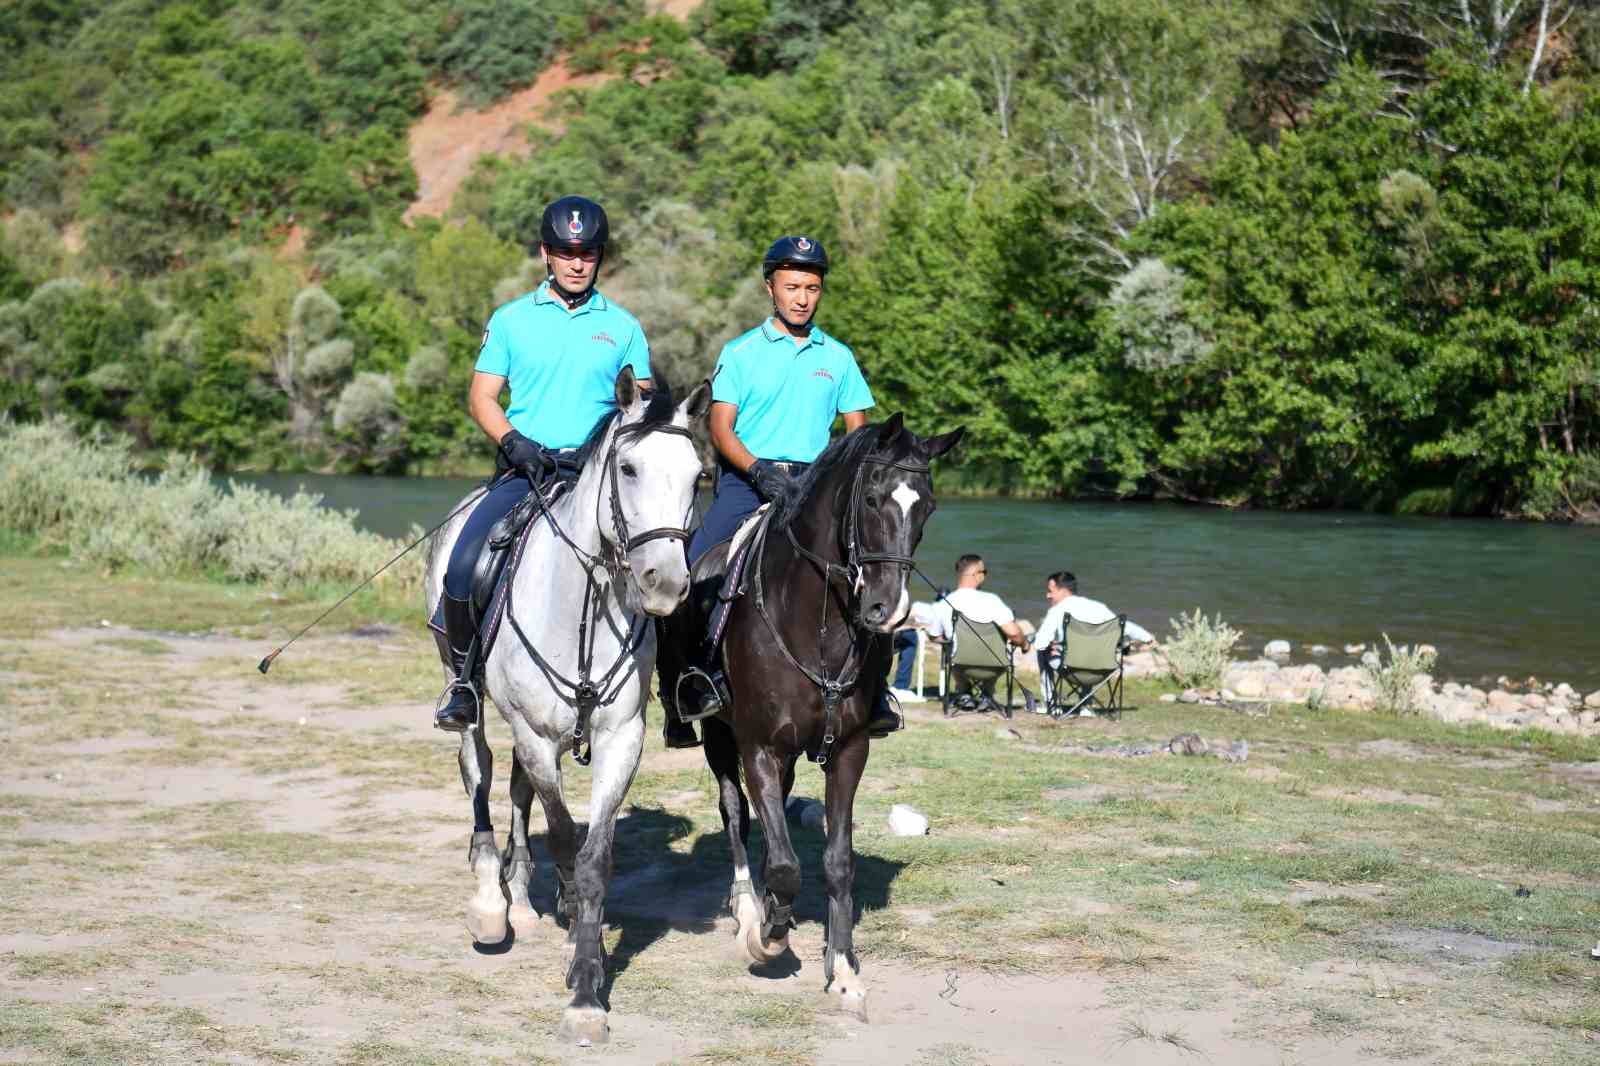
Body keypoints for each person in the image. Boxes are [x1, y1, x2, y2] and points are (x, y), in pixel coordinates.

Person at [660, 234, 899, 747]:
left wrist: (832, 482)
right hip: (748, 484)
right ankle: (685, 690)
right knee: (689, 576)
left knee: (875, 569)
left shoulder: (837, 357)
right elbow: (721, 429)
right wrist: (760, 471)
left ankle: (877, 693)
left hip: (815, 490)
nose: (802, 297)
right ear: (771, 287)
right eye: (792, 286)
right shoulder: (741, 352)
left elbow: (857, 435)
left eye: (812, 288)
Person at [432, 195, 651, 733]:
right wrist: (515, 442)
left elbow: (640, 402)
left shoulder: (623, 327)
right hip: (527, 470)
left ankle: (665, 683)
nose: (577, 263)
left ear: (600, 257)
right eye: (565, 252)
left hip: (596, 479)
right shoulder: (510, 320)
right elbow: (482, 397)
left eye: (588, 253)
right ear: (545, 254)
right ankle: (463, 682)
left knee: (663, 567)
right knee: (462, 568)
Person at [1032, 570, 1154, 705]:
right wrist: (1148, 638)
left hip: (1070, 669)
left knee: (1042, 653)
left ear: (1063, 590)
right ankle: (1086, 704)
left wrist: (1049, 646)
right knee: (1090, 650)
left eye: (1051, 591)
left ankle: (1050, 702)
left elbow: (1039, 643)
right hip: (1102, 669)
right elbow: (1125, 626)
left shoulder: (1057, 610)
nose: (1048, 595)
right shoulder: (1098, 607)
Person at [926, 555, 1030, 651]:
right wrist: (1025, 645)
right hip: (994, 665)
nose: (984, 576)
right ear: (976, 575)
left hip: (959, 665)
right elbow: (1014, 634)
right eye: (984, 572)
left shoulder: (944, 603)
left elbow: (934, 636)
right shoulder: (992, 600)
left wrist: (950, 640)